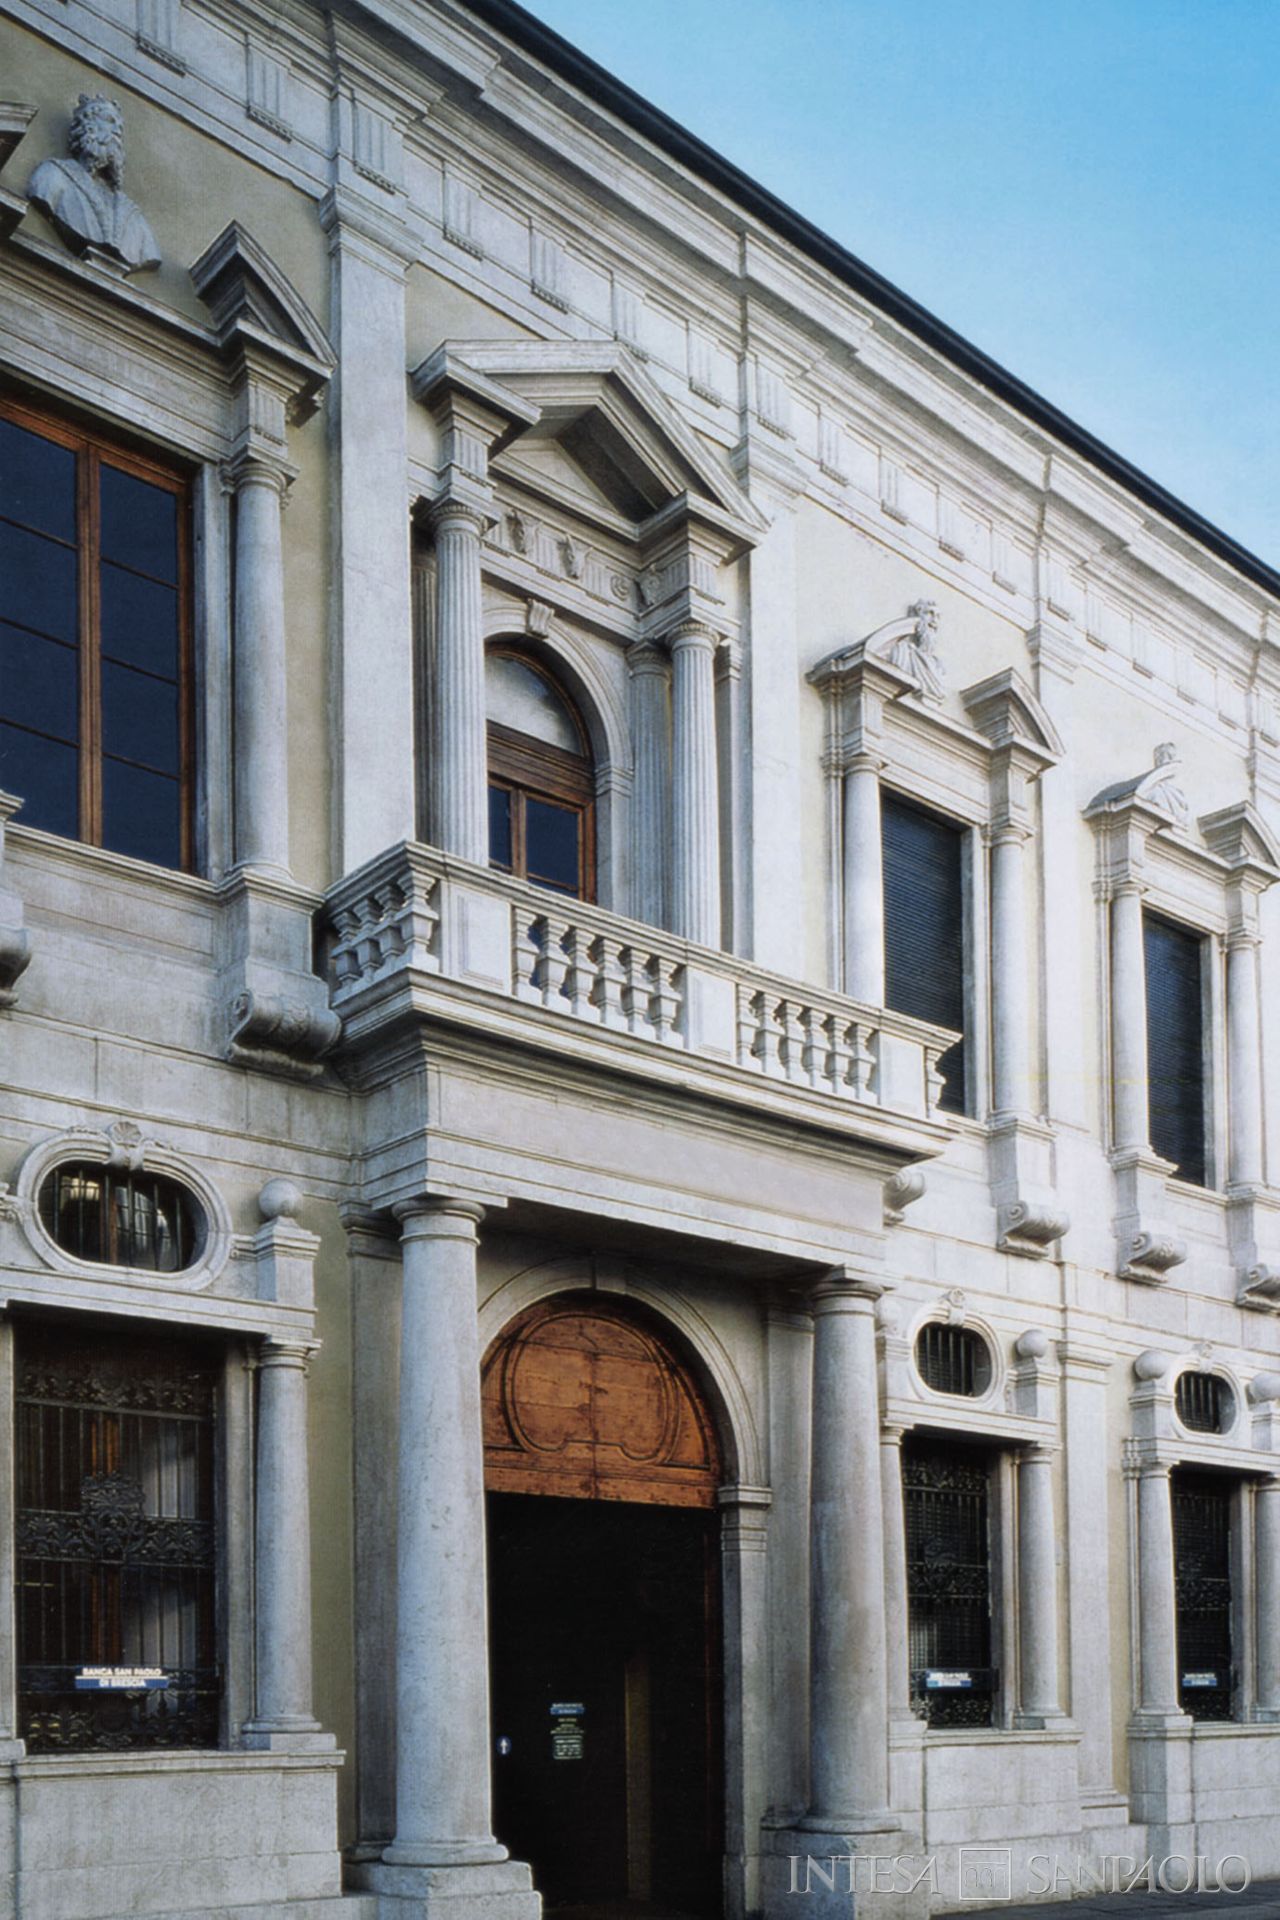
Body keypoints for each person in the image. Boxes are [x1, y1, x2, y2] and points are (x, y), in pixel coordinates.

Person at [29, 94, 160, 273]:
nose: (116, 131)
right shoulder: (52, 176)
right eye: (109, 120)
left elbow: (150, 253)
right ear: (86, 128)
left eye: (119, 126)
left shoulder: (133, 215)